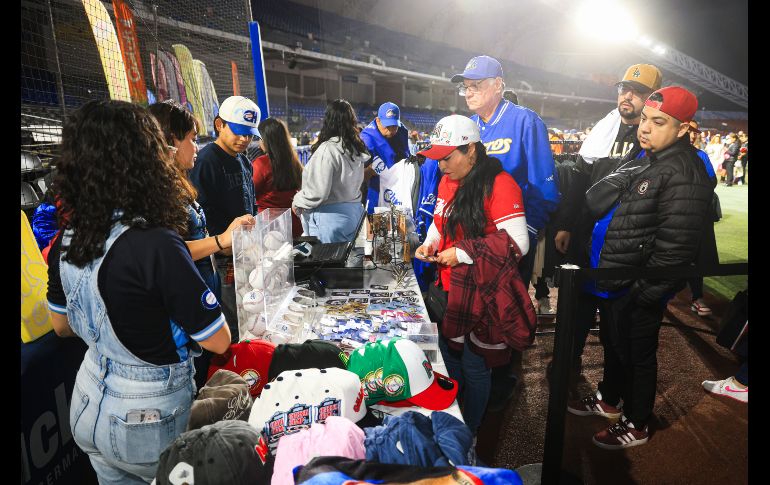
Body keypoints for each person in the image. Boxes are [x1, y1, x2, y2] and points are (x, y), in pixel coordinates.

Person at [46, 100, 231, 483]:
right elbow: (218, 340)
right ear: (143, 159)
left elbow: (61, 326)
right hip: (145, 418)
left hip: (87, 400)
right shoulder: (156, 243)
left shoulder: (69, 236)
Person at [567, 87, 714, 449]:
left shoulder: (683, 169)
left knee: (637, 354)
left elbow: (676, 248)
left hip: (636, 287)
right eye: (645, 120)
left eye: (658, 122)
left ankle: (637, 421)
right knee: (616, 346)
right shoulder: (650, 157)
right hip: (618, 280)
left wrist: (643, 294)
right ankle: (610, 400)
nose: (645, 128)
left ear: (683, 129)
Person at [451, 55, 560, 409]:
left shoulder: (525, 122)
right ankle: (478, 378)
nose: (469, 92)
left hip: (507, 241)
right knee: (474, 313)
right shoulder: (467, 126)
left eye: (476, 85)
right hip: (472, 245)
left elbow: (545, 188)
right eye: (465, 86)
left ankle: (503, 381)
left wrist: (520, 237)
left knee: (503, 313)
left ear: (498, 84)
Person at [415, 114, 531, 435]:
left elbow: (519, 243)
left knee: (474, 367)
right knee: (451, 362)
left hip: (480, 295)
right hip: (448, 290)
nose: (441, 165)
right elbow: (439, 226)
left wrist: (463, 252)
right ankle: (455, 419)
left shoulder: (500, 185)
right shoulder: (448, 180)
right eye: (437, 158)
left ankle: (471, 431)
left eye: (447, 157)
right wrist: (430, 244)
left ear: (472, 152)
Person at [562, 63, 663, 370]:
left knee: (616, 324)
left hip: (625, 244)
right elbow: (580, 181)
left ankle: (612, 390)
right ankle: (569, 365)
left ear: (653, 98)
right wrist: (567, 224)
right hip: (588, 235)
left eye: (638, 92)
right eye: (624, 89)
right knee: (577, 310)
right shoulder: (603, 129)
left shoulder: (655, 136)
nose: (627, 96)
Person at [149, 100, 254, 388]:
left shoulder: (177, 182)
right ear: (170, 142)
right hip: (186, 313)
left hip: (205, 288)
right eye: (192, 140)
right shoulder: (158, 194)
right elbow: (172, 252)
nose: (196, 146)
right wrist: (221, 240)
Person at [189, 95, 259, 341]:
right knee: (233, 323)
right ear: (220, 124)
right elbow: (199, 215)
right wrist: (222, 244)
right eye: (238, 132)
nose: (244, 139)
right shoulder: (206, 160)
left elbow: (251, 201)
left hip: (244, 252)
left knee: (249, 316)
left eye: (249, 135)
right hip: (221, 258)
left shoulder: (243, 159)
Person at [292, 99, 369, 243]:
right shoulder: (355, 148)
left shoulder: (328, 149)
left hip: (330, 220)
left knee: (328, 264)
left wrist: (298, 201)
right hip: (354, 215)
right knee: (350, 262)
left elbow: (317, 193)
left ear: (328, 120)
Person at [685, 120, 719, 318]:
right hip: (666, 215)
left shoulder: (701, 155)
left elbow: (712, 181)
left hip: (695, 215)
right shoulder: (662, 152)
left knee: (696, 257)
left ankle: (697, 297)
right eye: (688, 130)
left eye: (694, 132)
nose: (692, 135)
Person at [252, 117, 304, 237]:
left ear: (267, 140)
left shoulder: (261, 163)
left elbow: (250, 193)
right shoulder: (294, 162)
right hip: (294, 225)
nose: (259, 143)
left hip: (271, 228)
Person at [360, 102, 412, 213]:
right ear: (378, 121)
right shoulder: (366, 140)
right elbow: (356, 177)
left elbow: (406, 156)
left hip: (398, 190)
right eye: (387, 126)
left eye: (394, 126)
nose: (392, 130)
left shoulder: (401, 131)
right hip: (374, 191)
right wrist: (370, 170)